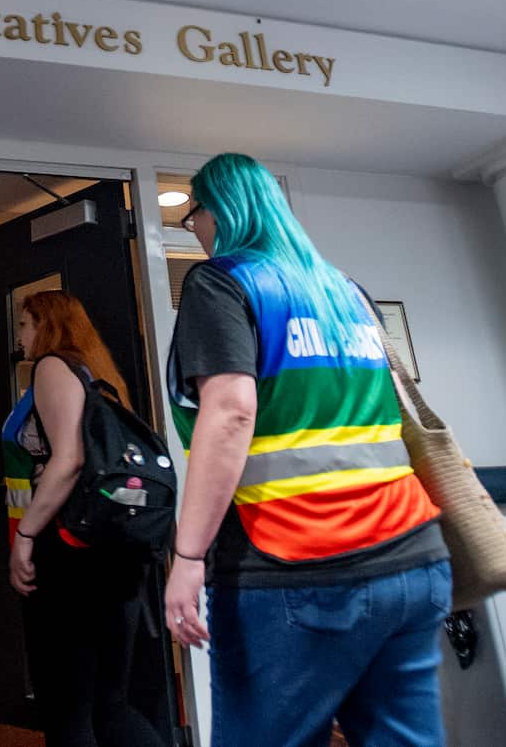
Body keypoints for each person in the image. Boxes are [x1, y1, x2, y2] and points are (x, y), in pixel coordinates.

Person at [164, 153, 451, 747]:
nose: (193, 227)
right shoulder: (346, 291)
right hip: (413, 559)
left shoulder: (221, 281)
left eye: (193, 214)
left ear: (220, 212)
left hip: (297, 562)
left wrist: (188, 557)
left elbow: (231, 412)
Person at [5, 290, 164, 747]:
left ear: (47, 326)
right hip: (115, 554)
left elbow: (69, 459)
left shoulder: (52, 368)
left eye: (25, 324)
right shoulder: (98, 374)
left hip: (73, 552)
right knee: (109, 704)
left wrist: (26, 534)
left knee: (68, 705)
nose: (21, 334)